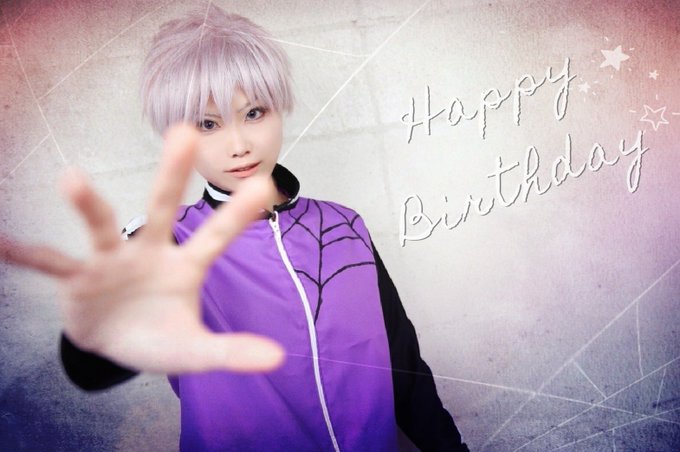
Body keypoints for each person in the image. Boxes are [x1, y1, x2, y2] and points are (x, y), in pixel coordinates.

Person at [1, 6, 468, 451]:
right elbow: (94, 367)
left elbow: (403, 367)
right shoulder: (170, 241)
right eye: (208, 124)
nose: (239, 144)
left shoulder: (344, 225)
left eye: (254, 113)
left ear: (279, 110)